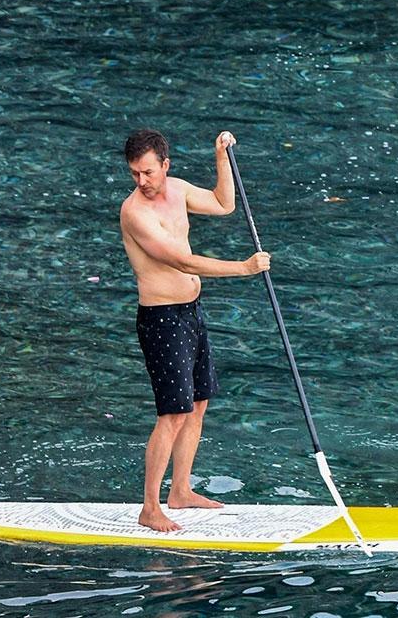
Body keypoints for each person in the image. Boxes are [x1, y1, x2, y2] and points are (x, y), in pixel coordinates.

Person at [120, 128, 271, 532]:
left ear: (165, 166)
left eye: (148, 172)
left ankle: (180, 490)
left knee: (199, 403)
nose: (141, 181)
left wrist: (220, 155)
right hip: (161, 319)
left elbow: (224, 204)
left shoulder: (180, 189)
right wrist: (242, 268)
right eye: (134, 173)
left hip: (191, 312)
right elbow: (182, 262)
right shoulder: (134, 212)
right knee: (172, 413)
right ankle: (150, 507)